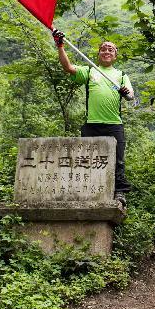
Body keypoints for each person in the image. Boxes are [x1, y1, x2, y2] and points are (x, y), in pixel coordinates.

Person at [52, 29, 134, 209]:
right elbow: (68, 68)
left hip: (114, 125)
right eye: (103, 49)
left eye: (110, 49)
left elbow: (130, 96)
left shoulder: (121, 75)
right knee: (85, 159)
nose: (106, 51)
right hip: (92, 124)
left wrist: (126, 92)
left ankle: (119, 193)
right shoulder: (90, 71)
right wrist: (60, 46)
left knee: (118, 160)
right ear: (98, 54)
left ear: (115, 55)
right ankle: (84, 189)